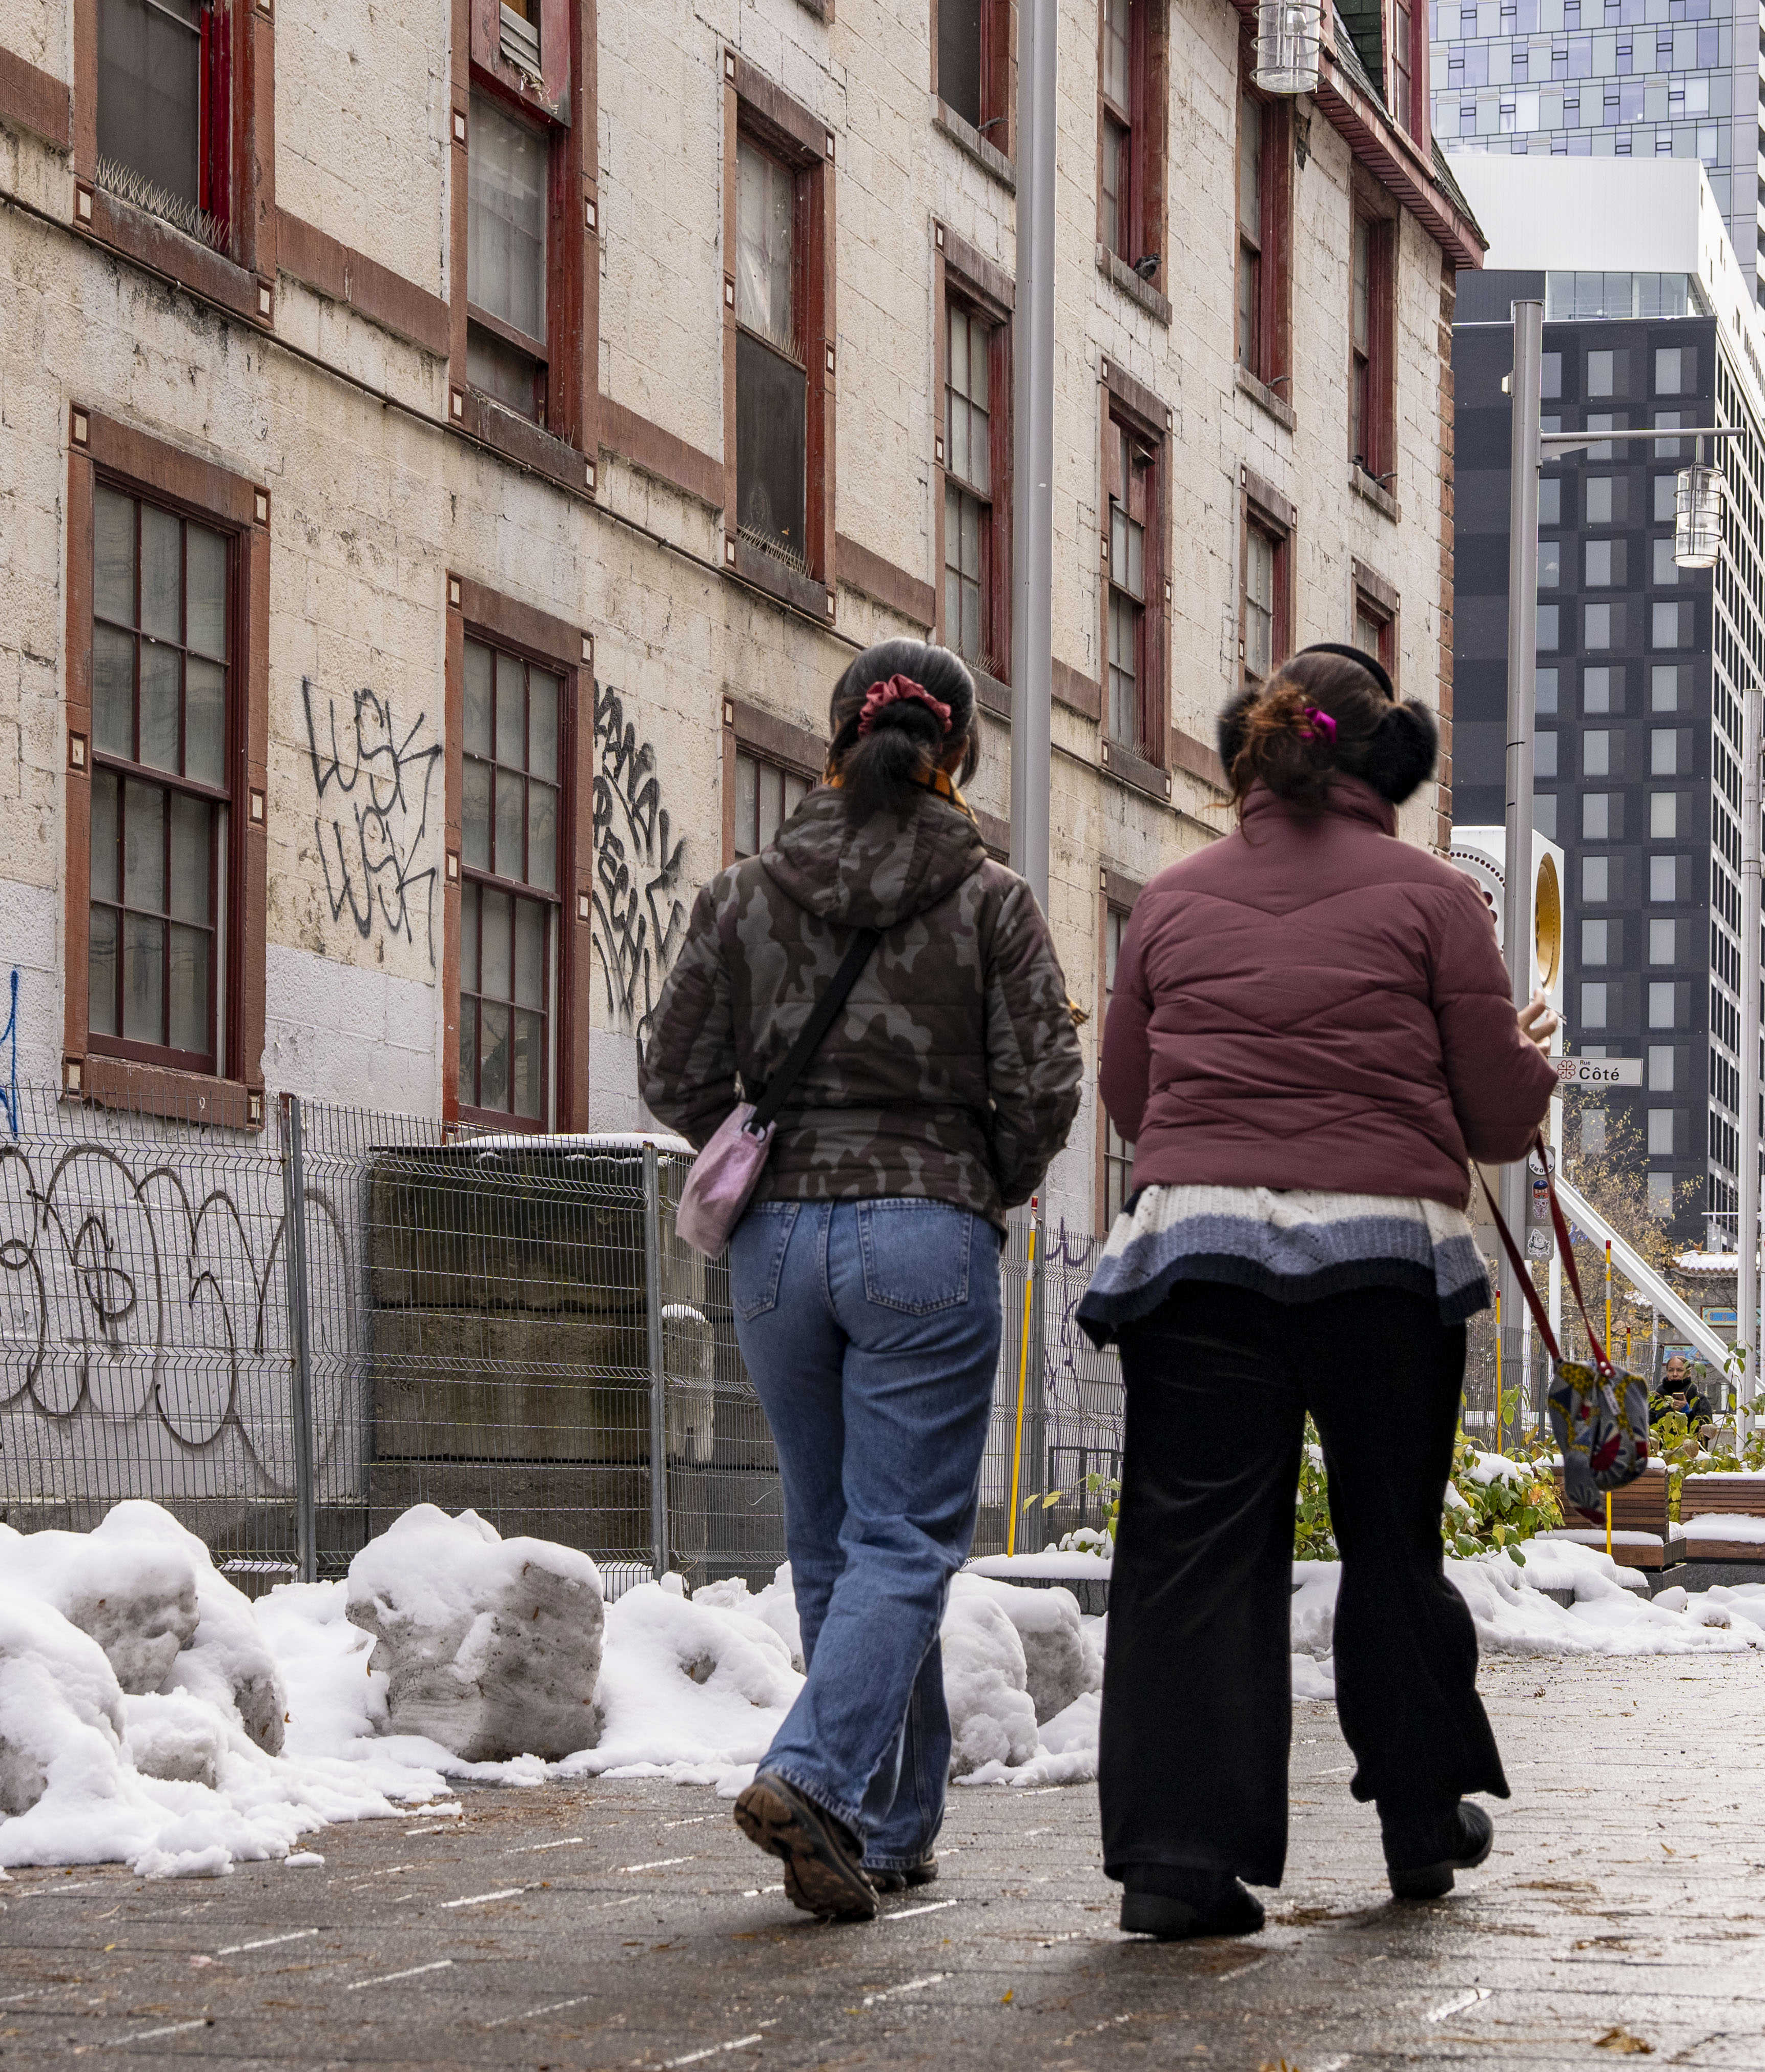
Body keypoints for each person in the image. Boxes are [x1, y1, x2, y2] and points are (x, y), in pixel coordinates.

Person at [1080, 645, 1557, 1940]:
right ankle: (1417, 1817)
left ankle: (1177, 1860)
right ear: (1383, 760)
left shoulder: (1169, 903)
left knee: (1189, 1551)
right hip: (1380, 1268)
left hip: (1196, 1260)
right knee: (1388, 1542)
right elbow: (1497, 1119)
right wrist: (1534, 1068)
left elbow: (1132, 1098)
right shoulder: (1434, 900)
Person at [639, 640, 1081, 1922]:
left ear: (837, 742)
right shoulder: (992, 901)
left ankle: (887, 1826)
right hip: (925, 1235)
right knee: (905, 1543)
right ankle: (815, 1775)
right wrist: (973, 1177)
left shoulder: (742, 896)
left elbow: (673, 1074)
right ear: (957, 758)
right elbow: (1046, 1083)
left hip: (778, 1247)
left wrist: (772, 1126)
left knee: (837, 1540)